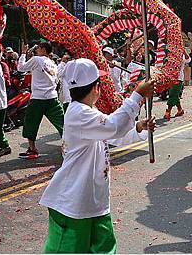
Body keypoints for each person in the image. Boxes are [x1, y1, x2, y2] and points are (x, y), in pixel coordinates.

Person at [39, 59, 155, 253]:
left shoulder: (88, 111)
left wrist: (137, 127)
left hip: (94, 200)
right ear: (95, 88)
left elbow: (113, 134)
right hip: (72, 202)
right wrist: (137, 96)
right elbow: (113, 126)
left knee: (104, 249)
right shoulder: (78, 113)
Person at [18, 42, 64, 159]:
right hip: (52, 98)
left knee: (31, 124)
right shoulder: (52, 63)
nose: (36, 49)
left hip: (38, 98)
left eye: (38, 48)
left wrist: (23, 53)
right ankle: (70, 146)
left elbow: (21, 68)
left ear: (43, 49)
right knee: (63, 123)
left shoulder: (37, 59)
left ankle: (32, 149)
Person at [164, 51, 191, 119]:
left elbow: (188, 59)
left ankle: (168, 111)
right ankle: (180, 110)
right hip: (170, 78)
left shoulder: (181, 55)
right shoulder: (169, 55)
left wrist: (183, 51)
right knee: (174, 94)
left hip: (178, 78)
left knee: (172, 94)